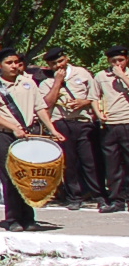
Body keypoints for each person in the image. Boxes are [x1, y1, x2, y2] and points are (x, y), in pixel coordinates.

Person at [0, 49, 65, 232]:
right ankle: (13, 218)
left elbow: (40, 108)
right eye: (9, 63)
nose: (14, 66)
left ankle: (29, 218)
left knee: (29, 176)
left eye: (16, 62)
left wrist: (52, 130)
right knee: (11, 177)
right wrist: (14, 127)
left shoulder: (28, 83)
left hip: (28, 135)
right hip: (6, 135)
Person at [42, 47, 105, 211]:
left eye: (61, 61)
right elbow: (46, 104)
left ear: (67, 58)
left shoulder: (82, 73)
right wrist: (57, 82)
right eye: (54, 63)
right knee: (69, 163)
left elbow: (94, 96)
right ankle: (74, 197)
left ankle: (98, 195)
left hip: (83, 121)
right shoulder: (46, 81)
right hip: (62, 123)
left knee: (90, 161)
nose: (58, 66)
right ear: (49, 65)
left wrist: (82, 102)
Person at [92, 47, 129, 213]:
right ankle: (116, 200)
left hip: (127, 122)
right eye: (113, 61)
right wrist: (99, 113)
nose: (117, 64)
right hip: (110, 124)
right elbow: (93, 97)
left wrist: (122, 76)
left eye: (120, 60)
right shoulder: (101, 76)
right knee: (112, 165)